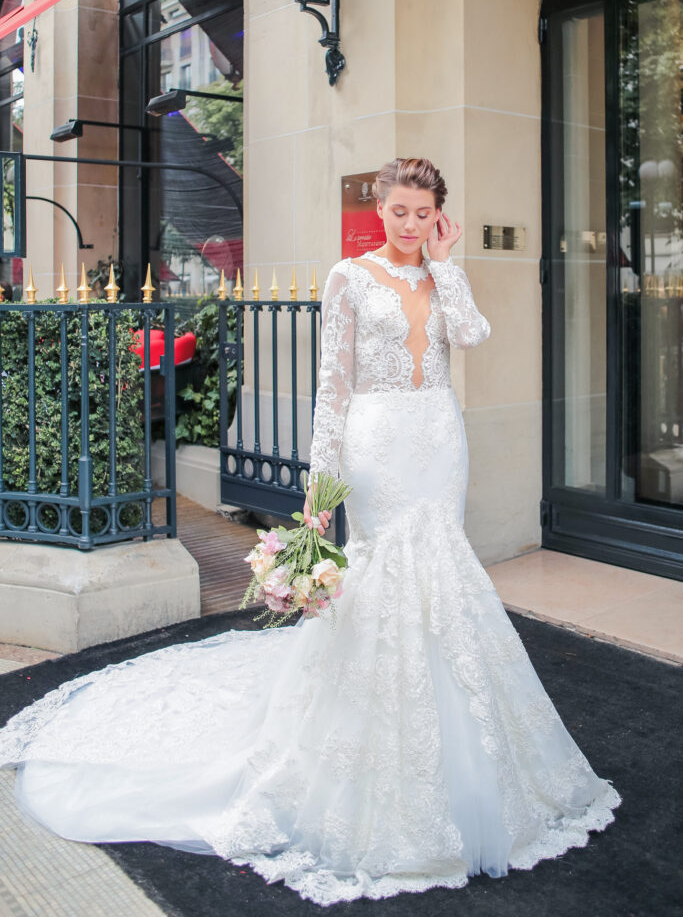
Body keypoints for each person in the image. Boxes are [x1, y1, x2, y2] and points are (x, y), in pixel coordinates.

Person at [0, 158, 620, 907]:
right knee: (385, 568)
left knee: (441, 568)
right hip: (377, 441)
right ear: (380, 209)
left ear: (438, 216)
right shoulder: (348, 278)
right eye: (399, 210)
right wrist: (318, 494)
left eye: (423, 213)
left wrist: (448, 264)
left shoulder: (438, 278)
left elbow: (473, 335)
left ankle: (456, 723)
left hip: (438, 436)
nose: (409, 224)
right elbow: (332, 386)